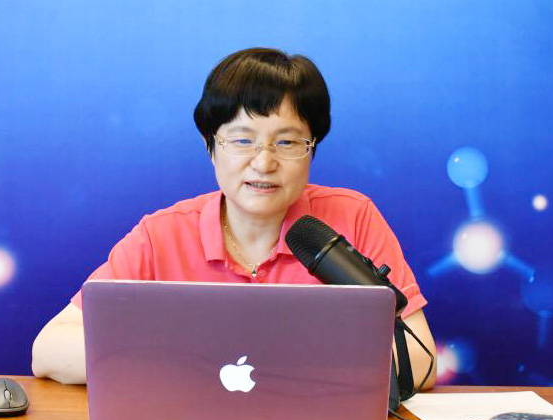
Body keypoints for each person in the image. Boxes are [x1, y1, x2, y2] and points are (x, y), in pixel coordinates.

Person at [31, 47, 437, 387]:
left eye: (287, 142)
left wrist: (265, 367)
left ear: (312, 148)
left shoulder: (351, 218)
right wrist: (198, 361)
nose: (264, 162)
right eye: (243, 140)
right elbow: (50, 350)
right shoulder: (161, 235)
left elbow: (420, 361)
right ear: (210, 146)